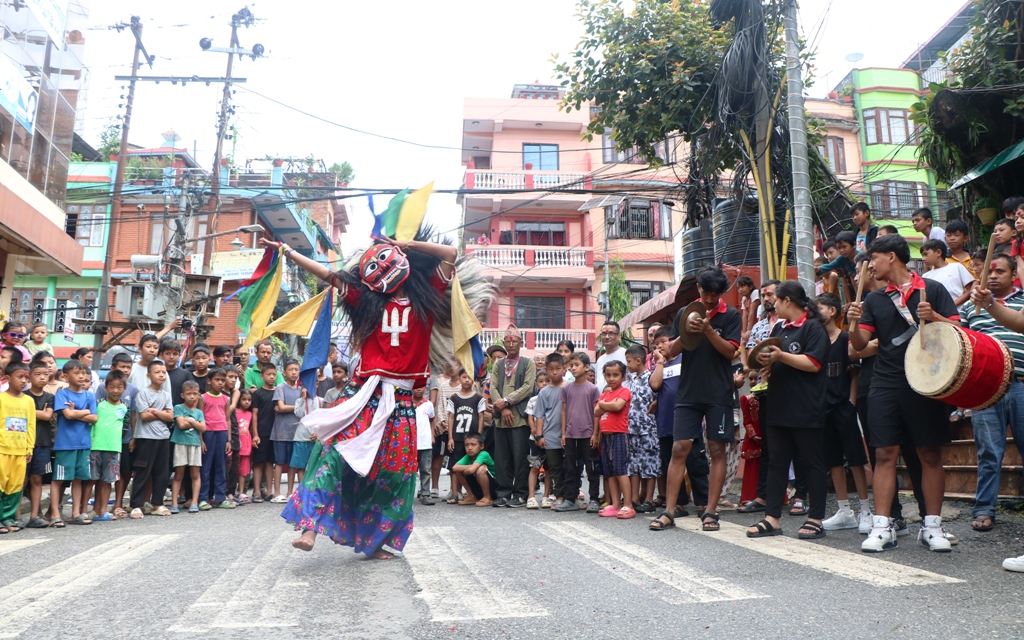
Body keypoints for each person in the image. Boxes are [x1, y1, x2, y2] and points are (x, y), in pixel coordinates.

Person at [278, 231, 460, 559]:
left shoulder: (428, 297)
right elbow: (328, 275)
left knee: (393, 473)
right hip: (363, 394)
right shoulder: (365, 301)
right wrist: (288, 251)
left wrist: (407, 245)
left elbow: (450, 253)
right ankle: (310, 526)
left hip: (401, 403)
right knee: (333, 454)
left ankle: (373, 542)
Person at [847, 233, 960, 553]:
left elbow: (959, 331)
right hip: (885, 383)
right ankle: (883, 526)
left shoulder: (932, 289)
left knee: (929, 454)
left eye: (874, 259)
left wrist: (934, 317)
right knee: (884, 454)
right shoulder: (874, 300)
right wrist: (852, 324)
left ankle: (932, 526)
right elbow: (859, 345)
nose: (871, 267)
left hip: (926, 382)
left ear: (891, 257)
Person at [651, 267, 740, 533]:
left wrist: (709, 330)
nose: (710, 300)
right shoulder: (684, 312)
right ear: (698, 289)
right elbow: (671, 351)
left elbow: (730, 352)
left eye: (715, 295)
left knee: (716, 449)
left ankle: (710, 511)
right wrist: (686, 333)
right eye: (706, 293)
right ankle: (669, 511)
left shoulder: (731, 315)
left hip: (719, 393)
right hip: (688, 392)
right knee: (679, 448)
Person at [746, 282, 830, 540]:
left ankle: (815, 518)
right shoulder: (780, 328)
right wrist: (765, 360)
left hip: (806, 406)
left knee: (812, 463)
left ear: (787, 301)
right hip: (778, 404)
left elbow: (813, 363)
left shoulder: (813, 328)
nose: (773, 305)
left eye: (776, 300)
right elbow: (773, 361)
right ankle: (772, 518)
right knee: (777, 462)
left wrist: (780, 356)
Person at [960, 254, 1024, 535]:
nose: (994, 276)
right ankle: (984, 508)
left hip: (1021, 382)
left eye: (1001, 271)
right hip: (986, 389)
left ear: (1014, 276)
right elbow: (962, 342)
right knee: (988, 452)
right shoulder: (970, 307)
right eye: (990, 272)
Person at [816, 293, 872, 533]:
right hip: (823, 407)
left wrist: (851, 403)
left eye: (819, 308)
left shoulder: (846, 339)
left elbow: (854, 373)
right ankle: (844, 510)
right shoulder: (816, 342)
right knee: (833, 460)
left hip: (843, 406)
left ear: (832, 311)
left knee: (856, 458)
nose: (815, 313)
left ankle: (866, 509)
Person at [739, 280, 780, 514]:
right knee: (767, 445)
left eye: (770, 294)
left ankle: (800, 496)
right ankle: (763, 496)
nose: (766, 299)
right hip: (765, 392)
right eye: (763, 295)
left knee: (797, 444)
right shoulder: (758, 326)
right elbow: (751, 358)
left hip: (790, 391)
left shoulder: (790, 324)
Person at [489, 324, 536, 508]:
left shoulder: (528, 363)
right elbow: (493, 387)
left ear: (521, 343)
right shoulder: (498, 364)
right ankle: (503, 493)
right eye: (508, 342)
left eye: (514, 341)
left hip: (520, 419)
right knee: (502, 458)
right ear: (504, 343)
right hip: (501, 419)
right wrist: (502, 408)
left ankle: (521, 493)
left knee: (520, 457)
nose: (511, 344)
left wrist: (506, 401)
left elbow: (528, 387)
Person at [50, 359, 97, 525]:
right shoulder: (62, 394)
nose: (81, 376)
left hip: (84, 444)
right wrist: (85, 412)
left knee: (78, 479)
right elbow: (68, 415)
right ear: (65, 375)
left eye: (83, 373)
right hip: (65, 444)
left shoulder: (89, 395)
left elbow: (94, 418)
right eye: (76, 373)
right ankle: (55, 514)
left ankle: (76, 513)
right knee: (59, 479)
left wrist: (76, 412)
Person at [555, 352, 601, 513]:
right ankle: (570, 499)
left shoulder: (593, 389)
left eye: (577, 365)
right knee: (570, 468)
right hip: (571, 435)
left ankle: (594, 499)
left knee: (592, 468)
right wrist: (563, 434)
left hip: (588, 435)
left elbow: (597, 413)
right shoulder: (567, 389)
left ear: (587, 367)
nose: (573, 368)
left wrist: (595, 434)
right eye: (571, 366)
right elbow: (563, 412)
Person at [129, 360, 173, 520]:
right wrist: (161, 413)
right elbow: (143, 416)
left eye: (163, 372)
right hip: (146, 437)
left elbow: (170, 416)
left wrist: (154, 411)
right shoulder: (143, 393)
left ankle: (157, 503)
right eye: (157, 372)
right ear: (148, 375)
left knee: (162, 472)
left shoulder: (166, 395)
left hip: (163, 437)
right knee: (142, 472)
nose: (161, 375)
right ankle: (136, 505)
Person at [594, 360, 633, 518]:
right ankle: (616, 504)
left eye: (615, 375)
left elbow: (617, 407)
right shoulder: (605, 394)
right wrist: (606, 403)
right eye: (608, 375)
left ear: (623, 376)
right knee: (610, 471)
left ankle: (628, 505)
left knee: (620, 470)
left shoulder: (624, 392)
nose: (611, 378)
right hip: (606, 436)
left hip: (619, 434)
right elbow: (596, 411)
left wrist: (604, 404)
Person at [88, 372, 128, 521]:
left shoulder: (124, 408)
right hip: (95, 447)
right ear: (106, 388)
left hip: (114, 449)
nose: (115, 391)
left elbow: (124, 428)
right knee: (91, 480)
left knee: (107, 481)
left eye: (119, 387)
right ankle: (83, 510)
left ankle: (102, 511)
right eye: (112, 387)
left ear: (124, 388)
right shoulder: (98, 404)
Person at [624, 344, 659, 513]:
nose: (627, 365)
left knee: (649, 463)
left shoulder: (650, 377)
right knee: (634, 464)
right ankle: (634, 498)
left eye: (629, 361)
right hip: (633, 429)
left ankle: (649, 499)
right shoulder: (633, 380)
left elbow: (659, 396)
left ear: (638, 361)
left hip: (648, 429)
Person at [0, 362, 34, 532]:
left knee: (15, 487)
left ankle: (8, 518)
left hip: (20, 451)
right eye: (19, 377)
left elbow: (31, 426)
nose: (24, 381)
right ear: (7, 378)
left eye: (26, 377)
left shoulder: (29, 401)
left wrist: (29, 448)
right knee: (1, 484)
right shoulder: (1, 398)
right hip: (2, 450)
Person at [532, 353, 566, 509]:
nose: (554, 372)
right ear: (546, 370)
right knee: (554, 468)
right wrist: (539, 436)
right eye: (551, 369)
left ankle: (571, 495)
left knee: (570, 466)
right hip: (550, 435)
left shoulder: (569, 388)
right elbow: (539, 415)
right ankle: (559, 496)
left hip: (569, 434)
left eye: (558, 368)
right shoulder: (544, 392)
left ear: (564, 369)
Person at [447, 367, 485, 505]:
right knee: (455, 465)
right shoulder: (454, 398)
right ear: (459, 379)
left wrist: (478, 435)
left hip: (472, 438)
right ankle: (455, 492)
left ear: (473, 379)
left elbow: (481, 417)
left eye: (469, 377)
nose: (467, 380)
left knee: (472, 465)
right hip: (457, 437)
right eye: (464, 377)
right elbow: (451, 417)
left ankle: (473, 493)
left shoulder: (478, 398)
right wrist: (450, 438)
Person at [24, 360, 54, 528]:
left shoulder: (49, 397)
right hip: (23, 443)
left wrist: (28, 411)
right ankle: (16, 516)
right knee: (21, 480)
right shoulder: (23, 396)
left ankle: (34, 516)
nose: (42, 377)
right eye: (38, 374)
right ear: (29, 376)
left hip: (42, 443)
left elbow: (47, 416)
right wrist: (38, 412)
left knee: (37, 479)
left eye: (45, 374)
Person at [199, 367, 233, 510]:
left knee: (221, 466)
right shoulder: (202, 398)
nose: (220, 383)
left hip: (222, 433)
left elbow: (228, 419)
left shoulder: (226, 399)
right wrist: (201, 440)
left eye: (222, 380)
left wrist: (229, 440)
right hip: (208, 433)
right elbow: (200, 418)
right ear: (209, 381)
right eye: (217, 380)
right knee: (205, 467)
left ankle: (220, 497)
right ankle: (203, 498)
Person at [171, 380, 205, 514]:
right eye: (189, 394)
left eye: (195, 394)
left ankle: (194, 502)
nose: (192, 396)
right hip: (180, 443)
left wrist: (189, 420)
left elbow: (203, 428)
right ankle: (174, 503)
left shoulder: (199, 412)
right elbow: (181, 425)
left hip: (195, 443)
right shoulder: (178, 408)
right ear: (182, 395)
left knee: (195, 474)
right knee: (178, 474)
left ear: (199, 395)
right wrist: (195, 423)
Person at [250, 364, 278, 503]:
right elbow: (254, 415)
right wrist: (255, 434)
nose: (271, 377)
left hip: (275, 432)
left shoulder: (278, 393)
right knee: (258, 462)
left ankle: (269, 491)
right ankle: (256, 491)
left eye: (274, 374)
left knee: (270, 462)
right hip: (261, 432)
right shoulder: (258, 393)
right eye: (268, 374)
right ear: (262, 376)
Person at [921, 239, 975, 309]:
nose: (923, 258)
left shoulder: (957, 267)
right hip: (938, 313)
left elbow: (970, 289)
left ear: (938, 252)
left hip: (959, 311)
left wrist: (953, 304)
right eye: (922, 255)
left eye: (926, 254)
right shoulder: (925, 276)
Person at [525, 370, 549, 509]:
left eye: (547, 381)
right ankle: (531, 496)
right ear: (536, 384)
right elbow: (530, 417)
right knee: (535, 466)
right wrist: (533, 429)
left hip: (550, 438)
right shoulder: (533, 400)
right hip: (534, 439)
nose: (544, 383)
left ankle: (546, 496)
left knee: (549, 468)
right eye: (541, 381)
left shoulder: (554, 398)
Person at [452, 432, 496, 506]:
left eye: (473, 445)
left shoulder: (484, 454)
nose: (469, 448)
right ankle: (472, 497)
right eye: (467, 445)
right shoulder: (468, 456)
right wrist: (472, 466)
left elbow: (471, 470)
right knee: (459, 471)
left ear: (482, 446)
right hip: (479, 488)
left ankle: (487, 498)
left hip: (494, 489)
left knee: (481, 469)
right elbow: (454, 468)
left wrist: (471, 468)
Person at [739, 370, 762, 505]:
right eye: (751, 379)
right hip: (753, 437)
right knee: (752, 467)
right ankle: (750, 495)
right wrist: (753, 435)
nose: (753, 382)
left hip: (766, 434)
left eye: (756, 378)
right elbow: (746, 420)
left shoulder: (767, 397)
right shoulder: (745, 399)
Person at [290, 388, 319, 487]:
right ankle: (302, 490)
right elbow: (299, 414)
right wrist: (303, 398)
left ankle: (312, 489)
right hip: (301, 438)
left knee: (315, 467)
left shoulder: (321, 400)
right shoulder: (299, 401)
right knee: (300, 467)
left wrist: (318, 434)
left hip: (316, 439)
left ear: (317, 384)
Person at [412, 384, 436, 506]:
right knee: (410, 470)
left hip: (425, 442)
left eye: (421, 387)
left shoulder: (428, 404)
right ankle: (408, 494)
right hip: (410, 442)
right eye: (416, 387)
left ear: (425, 389)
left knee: (426, 469)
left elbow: (432, 420)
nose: (418, 389)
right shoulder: (407, 404)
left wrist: (432, 435)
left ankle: (425, 493)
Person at [595, 321, 627, 392]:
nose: (607, 337)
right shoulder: (600, 359)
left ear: (619, 336)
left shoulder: (626, 355)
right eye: (604, 334)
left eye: (611, 333)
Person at [234, 389, 255, 500]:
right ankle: (231, 491)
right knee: (234, 468)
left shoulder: (250, 414)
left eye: (249, 400)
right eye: (244, 399)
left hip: (246, 445)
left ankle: (241, 492)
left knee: (243, 470)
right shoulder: (234, 412)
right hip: (236, 444)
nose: (247, 402)